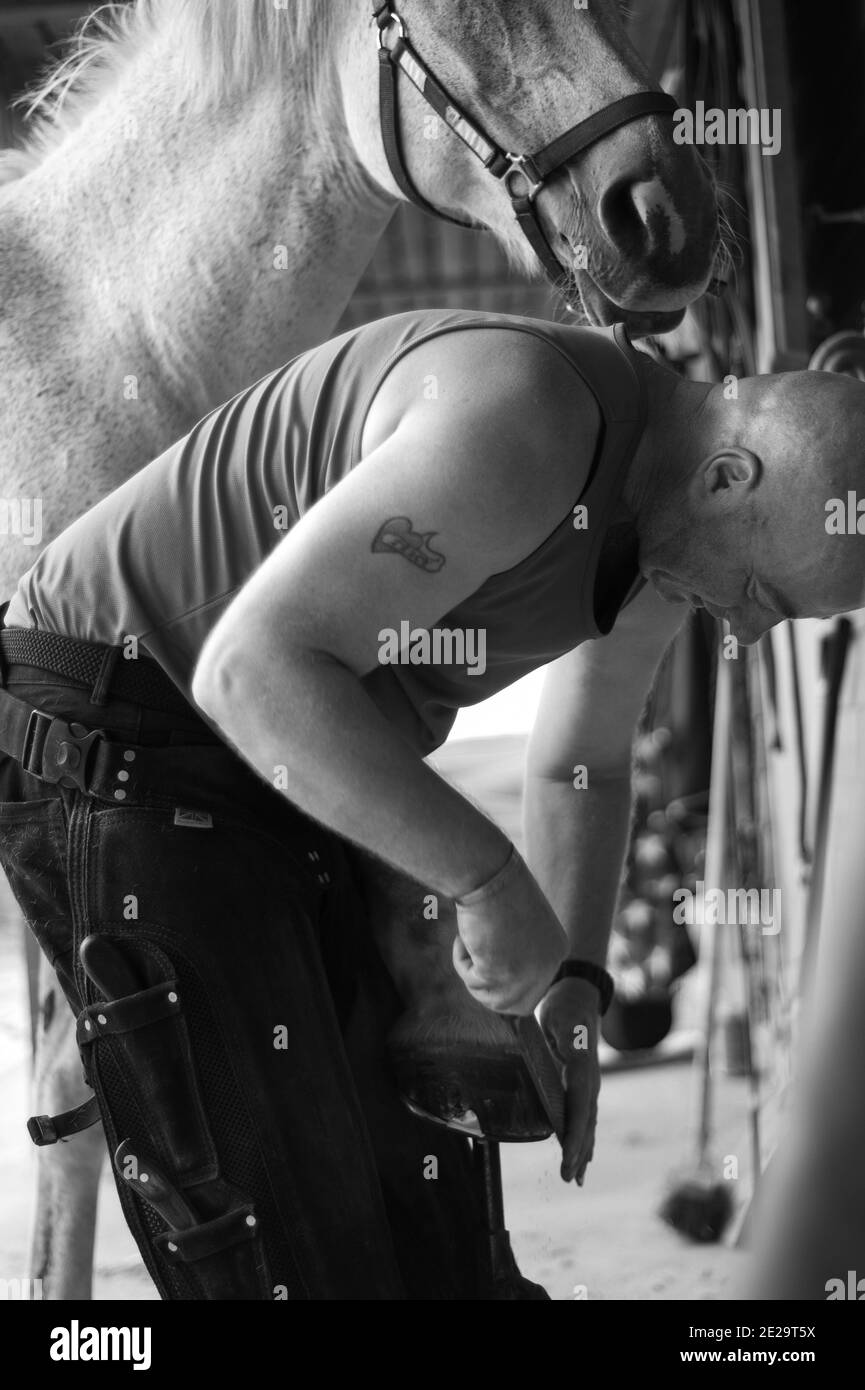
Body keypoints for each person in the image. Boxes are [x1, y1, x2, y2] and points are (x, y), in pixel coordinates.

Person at [1, 306, 863, 1300]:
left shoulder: (661, 536)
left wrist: (574, 983)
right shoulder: (524, 419)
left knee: (441, 1234)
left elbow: (580, 761)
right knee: (290, 1243)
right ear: (727, 478)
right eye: (767, 593)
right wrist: (488, 879)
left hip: (297, 738)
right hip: (130, 713)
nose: (750, 633)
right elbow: (252, 669)